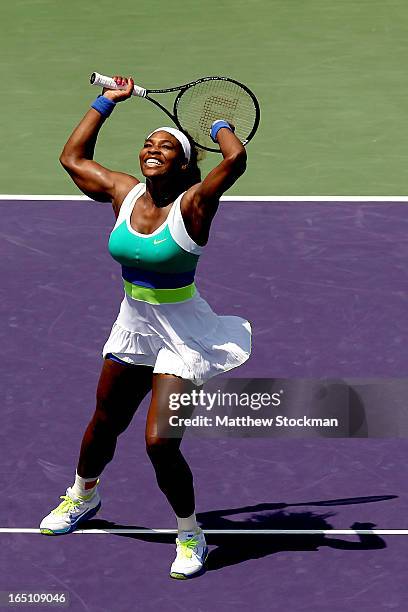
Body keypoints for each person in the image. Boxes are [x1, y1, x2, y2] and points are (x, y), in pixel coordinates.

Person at [39, 75, 252, 579]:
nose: (152, 150)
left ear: (183, 162)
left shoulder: (196, 204)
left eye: (166, 147)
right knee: (104, 423)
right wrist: (104, 102)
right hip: (134, 325)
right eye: (148, 144)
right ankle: (82, 496)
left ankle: (190, 533)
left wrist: (216, 125)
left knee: (160, 442)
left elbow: (235, 161)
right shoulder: (123, 193)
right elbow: (72, 159)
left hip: (182, 334)